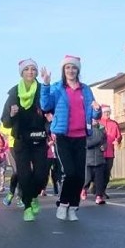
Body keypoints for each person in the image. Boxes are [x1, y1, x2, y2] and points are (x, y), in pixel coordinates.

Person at [40, 55, 102, 221]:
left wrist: (97, 110)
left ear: (78, 70)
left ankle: (73, 207)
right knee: (70, 172)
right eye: (67, 67)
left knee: (80, 176)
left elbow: (94, 112)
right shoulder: (57, 88)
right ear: (63, 70)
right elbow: (45, 105)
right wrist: (45, 84)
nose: (71, 70)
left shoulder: (85, 89)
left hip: (81, 135)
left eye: (74, 67)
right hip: (63, 136)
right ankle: (63, 204)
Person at [1, 58, 51, 221]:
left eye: (33, 69)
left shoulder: (42, 90)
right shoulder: (14, 93)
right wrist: (12, 114)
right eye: (27, 69)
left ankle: (34, 196)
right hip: (21, 140)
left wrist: (50, 119)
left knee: (41, 175)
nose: (30, 72)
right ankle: (28, 206)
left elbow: (50, 109)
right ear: (21, 73)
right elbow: (5, 121)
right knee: (24, 175)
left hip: (39, 138)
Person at [99, 104, 122, 199]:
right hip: (99, 152)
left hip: (110, 152)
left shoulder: (114, 123)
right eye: (105, 112)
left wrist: (118, 140)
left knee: (107, 173)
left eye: (108, 112)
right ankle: (97, 190)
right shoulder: (97, 122)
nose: (107, 114)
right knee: (98, 172)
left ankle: (102, 190)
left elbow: (119, 135)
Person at [86, 118, 107, 204]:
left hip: (99, 158)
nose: (95, 121)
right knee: (87, 178)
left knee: (99, 179)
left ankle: (99, 196)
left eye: (96, 119)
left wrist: (104, 146)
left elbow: (105, 140)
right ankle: (83, 189)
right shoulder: (86, 128)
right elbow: (86, 143)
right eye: (93, 119)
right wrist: (98, 140)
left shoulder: (102, 128)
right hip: (88, 159)